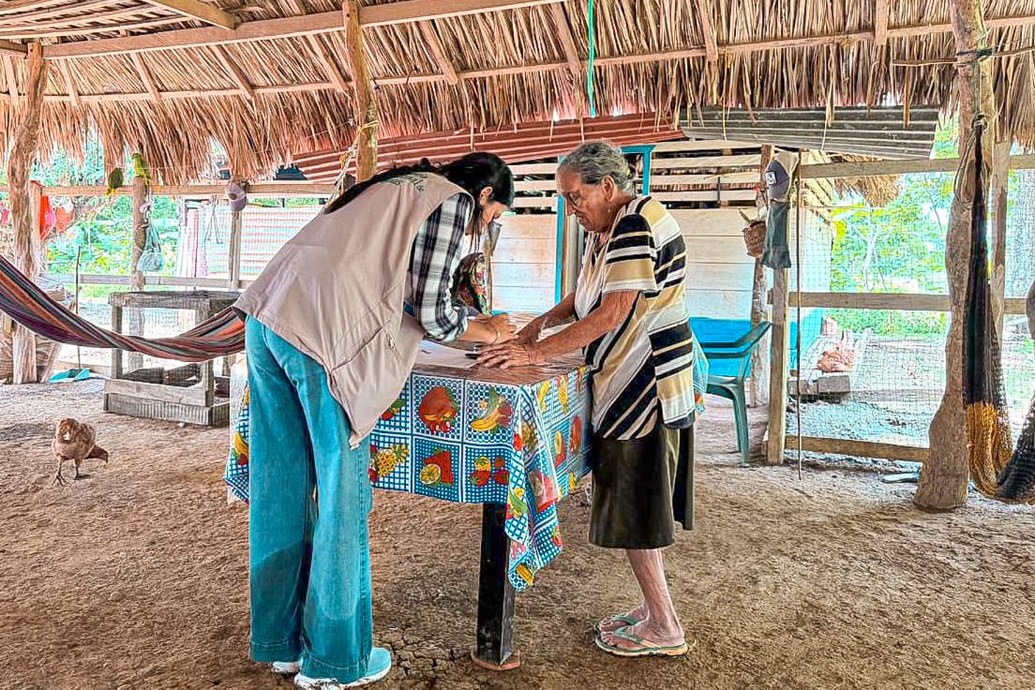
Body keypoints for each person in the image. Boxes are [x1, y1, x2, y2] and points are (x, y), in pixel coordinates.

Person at [235, 153, 517, 688]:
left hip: (267, 319)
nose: (489, 227)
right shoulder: (452, 202)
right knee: (343, 497)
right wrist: (490, 332)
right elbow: (433, 315)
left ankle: (283, 642)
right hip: (322, 338)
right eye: (495, 216)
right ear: (484, 196)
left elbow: (397, 289)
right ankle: (335, 662)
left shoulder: (391, 187)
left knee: (281, 489)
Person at [478, 141, 696, 658]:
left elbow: (611, 313)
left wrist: (534, 352)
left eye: (576, 197)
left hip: (643, 386)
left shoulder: (635, 224)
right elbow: (585, 296)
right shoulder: (612, 228)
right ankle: (654, 611)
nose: (571, 209)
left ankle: (664, 626)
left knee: (635, 507)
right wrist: (538, 325)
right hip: (636, 381)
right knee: (633, 503)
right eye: (566, 200)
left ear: (607, 187)